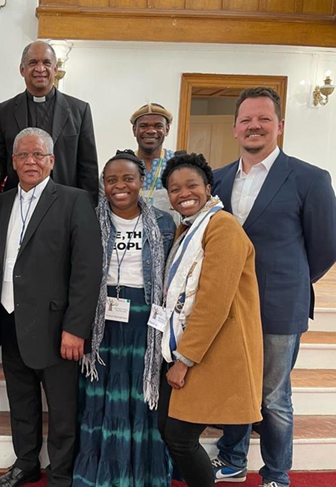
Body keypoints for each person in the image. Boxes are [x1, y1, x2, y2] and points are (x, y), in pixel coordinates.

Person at [212, 87, 336, 487]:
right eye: (246, 119)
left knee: (273, 397)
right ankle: (231, 459)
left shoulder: (310, 178)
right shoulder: (217, 179)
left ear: (279, 126)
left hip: (279, 305)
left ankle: (276, 474)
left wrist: (294, 280)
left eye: (264, 118)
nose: (254, 126)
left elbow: (325, 246)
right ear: (234, 128)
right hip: (228, 306)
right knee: (233, 384)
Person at [0, 128, 102, 487]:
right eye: (22, 155)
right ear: (14, 162)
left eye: (38, 155)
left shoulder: (74, 200)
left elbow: (87, 268)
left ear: (51, 161)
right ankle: (26, 463)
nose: (30, 161)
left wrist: (76, 327)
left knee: (63, 410)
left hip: (56, 328)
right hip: (8, 319)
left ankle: (62, 473)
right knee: (21, 402)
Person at [156, 153, 263, 487]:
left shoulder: (222, 226)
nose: (183, 193)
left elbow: (213, 302)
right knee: (168, 428)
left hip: (211, 349)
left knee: (180, 437)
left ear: (208, 187)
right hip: (187, 344)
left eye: (191, 185)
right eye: (174, 189)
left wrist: (184, 360)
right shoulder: (187, 229)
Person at [74, 150, 175, 487]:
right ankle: (100, 471)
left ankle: (139, 472)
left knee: (139, 396)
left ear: (141, 181)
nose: (120, 186)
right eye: (112, 180)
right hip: (101, 319)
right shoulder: (88, 217)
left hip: (144, 321)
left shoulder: (163, 221)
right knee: (101, 396)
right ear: (103, 184)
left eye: (128, 178)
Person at [0, 41, 98, 204]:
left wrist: (87, 210)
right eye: (33, 63)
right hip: (19, 204)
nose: (40, 69)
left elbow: (88, 169)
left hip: (65, 205)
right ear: (22, 70)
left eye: (46, 63)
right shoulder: (5, 110)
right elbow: (0, 158)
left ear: (55, 69)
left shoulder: (79, 110)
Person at [130, 103, 176, 214]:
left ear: (167, 129)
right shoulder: (121, 164)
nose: (151, 131)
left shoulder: (178, 163)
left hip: (172, 230)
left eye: (158, 126)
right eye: (144, 126)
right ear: (134, 130)